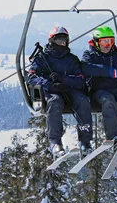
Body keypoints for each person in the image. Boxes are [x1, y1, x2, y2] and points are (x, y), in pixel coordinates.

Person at [27, 26, 93, 156]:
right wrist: (48, 84)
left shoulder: (72, 59)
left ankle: (85, 141)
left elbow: (80, 79)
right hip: (51, 91)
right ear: (52, 41)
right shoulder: (42, 58)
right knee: (55, 102)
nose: (62, 44)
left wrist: (64, 80)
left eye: (65, 41)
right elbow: (32, 77)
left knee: (83, 101)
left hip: (69, 90)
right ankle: (55, 142)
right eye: (59, 41)